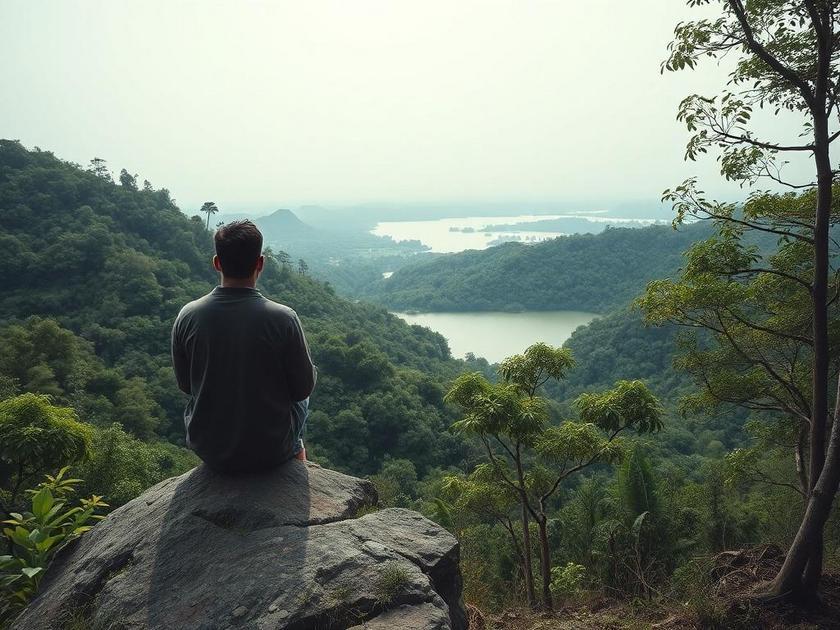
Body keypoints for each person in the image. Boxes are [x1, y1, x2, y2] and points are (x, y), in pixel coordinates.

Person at [170, 219, 316, 473]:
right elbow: (303, 389)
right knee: (304, 388)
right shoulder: (283, 318)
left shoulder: (188, 315)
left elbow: (186, 385)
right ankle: (297, 461)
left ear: (217, 262)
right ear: (260, 263)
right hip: (270, 450)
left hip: (210, 448)